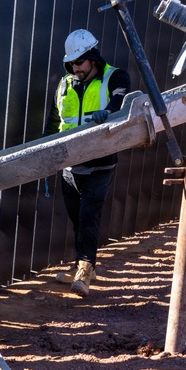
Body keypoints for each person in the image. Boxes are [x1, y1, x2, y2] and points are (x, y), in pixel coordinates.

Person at [43, 29, 131, 297]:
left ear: (92, 58)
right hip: (70, 164)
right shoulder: (65, 84)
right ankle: (84, 263)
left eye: (79, 62)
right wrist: (46, 157)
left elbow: (121, 103)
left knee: (89, 216)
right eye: (70, 64)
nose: (75, 68)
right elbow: (52, 123)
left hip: (100, 163)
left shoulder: (114, 76)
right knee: (77, 219)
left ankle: (84, 271)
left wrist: (110, 112)